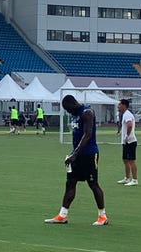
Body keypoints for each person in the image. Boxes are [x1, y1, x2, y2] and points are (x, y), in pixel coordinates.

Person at [45, 95, 108, 226]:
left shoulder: (87, 113)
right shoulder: (75, 115)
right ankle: (62, 215)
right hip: (76, 154)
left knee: (93, 184)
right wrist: (73, 154)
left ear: (73, 105)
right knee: (70, 183)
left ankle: (102, 216)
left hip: (89, 154)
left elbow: (88, 134)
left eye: (68, 109)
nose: (68, 112)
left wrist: (75, 153)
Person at [117, 99, 138, 186]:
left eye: (119, 105)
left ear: (124, 105)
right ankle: (127, 178)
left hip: (130, 141)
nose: (118, 106)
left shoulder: (127, 114)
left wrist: (126, 136)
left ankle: (135, 180)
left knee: (131, 161)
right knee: (125, 160)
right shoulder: (124, 114)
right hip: (126, 142)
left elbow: (129, 125)